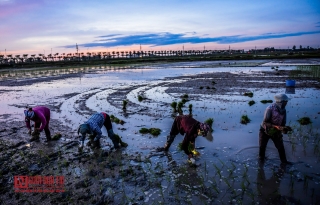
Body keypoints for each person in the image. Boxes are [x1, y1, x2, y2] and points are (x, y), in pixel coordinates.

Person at [259, 93, 292, 164]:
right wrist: (275, 126)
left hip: (276, 131)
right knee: (262, 146)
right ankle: (261, 162)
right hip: (264, 130)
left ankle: (284, 162)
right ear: (281, 102)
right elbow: (265, 122)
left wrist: (284, 129)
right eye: (286, 101)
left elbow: (283, 123)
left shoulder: (283, 110)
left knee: (280, 147)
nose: (287, 103)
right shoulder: (269, 109)